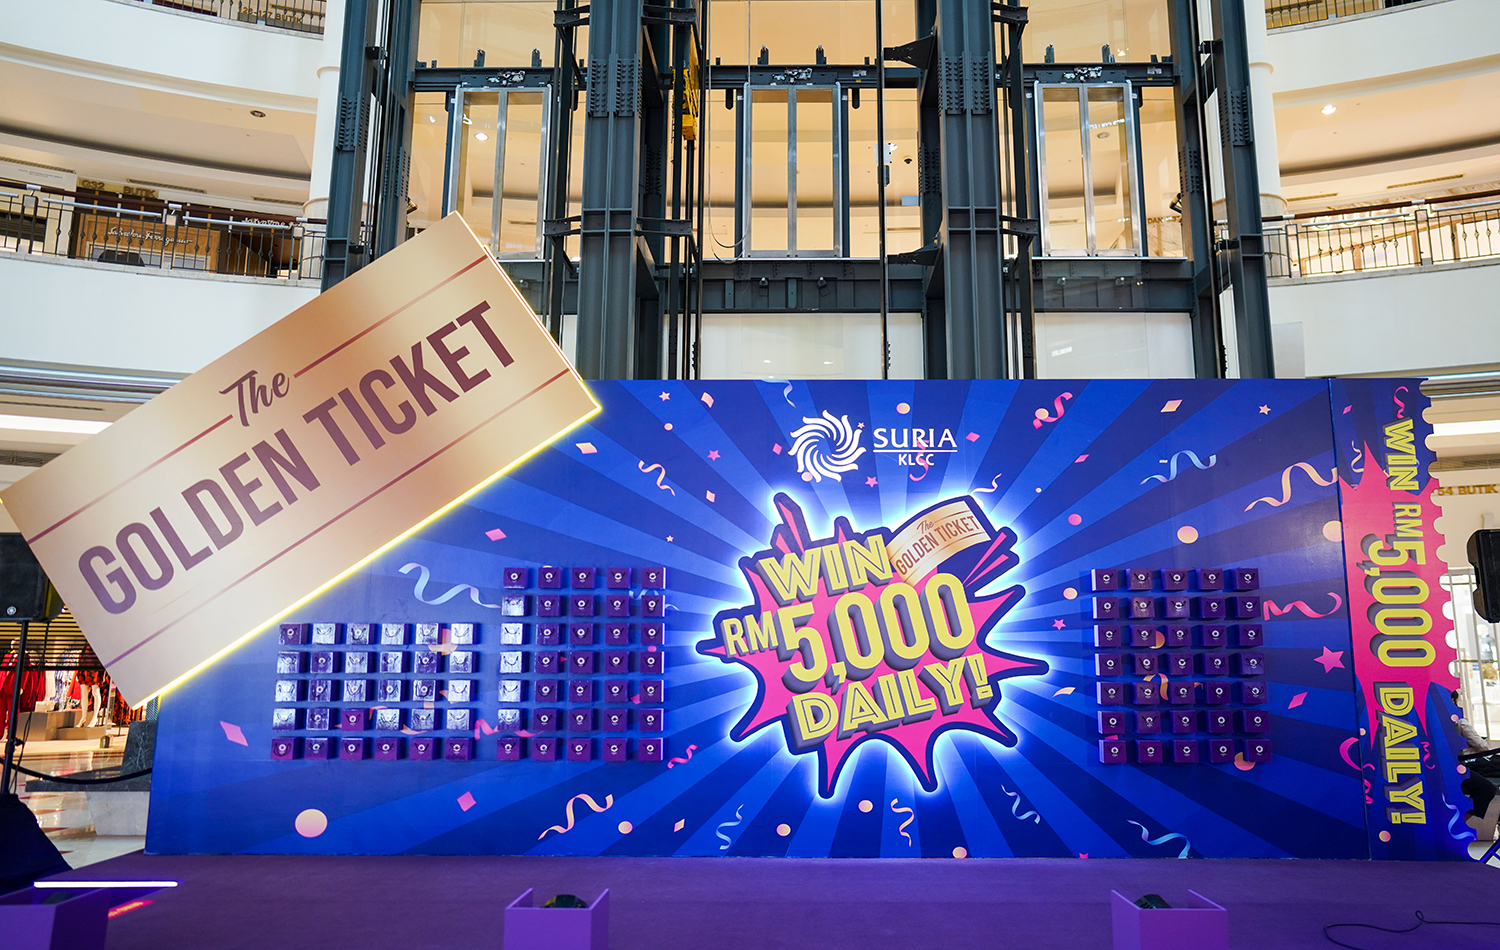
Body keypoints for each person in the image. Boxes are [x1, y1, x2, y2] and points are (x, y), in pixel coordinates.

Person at [1453, 690, 1500, 841]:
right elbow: (1482, 746)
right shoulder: (1460, 721)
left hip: (1450, 766)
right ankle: (1460, 825)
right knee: (1486, 789)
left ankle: (1458, 825)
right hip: (1462, 765)